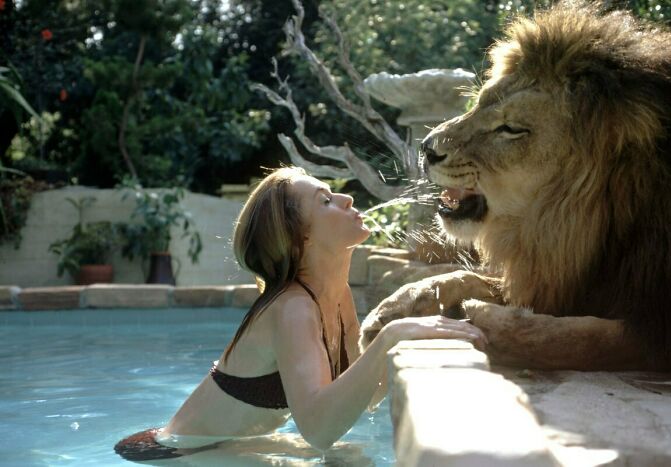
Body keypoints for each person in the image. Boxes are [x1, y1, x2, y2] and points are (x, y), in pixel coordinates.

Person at [115, 166, 487, 461]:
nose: (346, 198)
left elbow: (367, 396)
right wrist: (391, 336)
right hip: (176, 453)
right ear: (301, 238)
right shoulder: (294, 308)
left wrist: (417, 333)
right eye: (325, 201)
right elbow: (319, 429)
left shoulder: (333, 294)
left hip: (222, 446)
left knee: (351, 458)